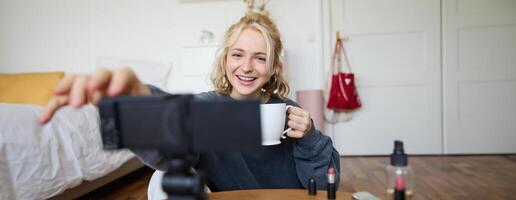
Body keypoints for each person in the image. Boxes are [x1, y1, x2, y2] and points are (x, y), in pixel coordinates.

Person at [40, 12, 340, 191]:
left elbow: (328, 184)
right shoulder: (208, 109)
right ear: (224, 61)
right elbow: (171, 149)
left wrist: (310, 138)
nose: (246, 67)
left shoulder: (290, 113)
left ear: (273, 67)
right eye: (237, 55)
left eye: (259, 58)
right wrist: (138, 104)